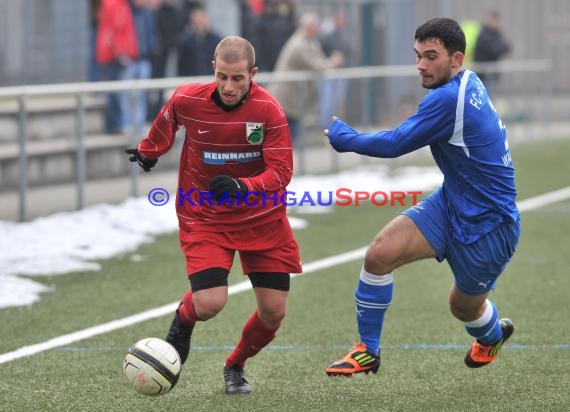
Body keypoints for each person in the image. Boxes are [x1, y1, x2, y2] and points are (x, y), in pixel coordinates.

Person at [323, 17, 520, 377]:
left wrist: (346, 138)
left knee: (462, 307)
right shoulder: (467, 80)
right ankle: (368, 351)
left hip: (490, 227)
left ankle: (492, 335)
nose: (421, 65)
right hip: (450, 204)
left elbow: (397, 143)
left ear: (456, 59)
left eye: (431, 56)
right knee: (379, 254)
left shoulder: (448, 99)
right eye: (417, 56)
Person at [125, 36, 302, 394]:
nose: (228, 86)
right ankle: (183, 322)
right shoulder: (188, 98)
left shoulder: (269, 110)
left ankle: (235, 365)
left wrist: (244, 186)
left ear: (253, 73)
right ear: (213, 69)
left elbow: (282, 172)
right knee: (210, 303)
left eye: (238, 78)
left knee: (273, 313)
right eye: (222, 76)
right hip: (204, 216)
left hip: (262, 219)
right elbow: (168, 116)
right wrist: (151, 150)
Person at [269, 12, 344, 143]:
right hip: (285, 99)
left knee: (291, 137)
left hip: (294, 101)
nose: (316, 30)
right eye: (313, 27)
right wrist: (333, 61)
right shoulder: (299, 44)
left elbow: (319, 60)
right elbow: (317, 65)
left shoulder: (311, 41)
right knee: (285, 138)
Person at [473, 10, 511, 97]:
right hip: (483, 74)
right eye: (494, 20)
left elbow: (506, 47)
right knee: (484, 98)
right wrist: (498, 48)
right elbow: (491, 49)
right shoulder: (484, 33)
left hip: (491, 74)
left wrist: (498, 48)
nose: (496, 23)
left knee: (490, 98)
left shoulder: (497, 33)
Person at [177, 7, 223, 76]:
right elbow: (181, 65)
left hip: (211, 77)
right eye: (197, 17)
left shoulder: (216, 39)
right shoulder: (185, 41)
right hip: (192, 79)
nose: (199, 20)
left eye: (202, 17)